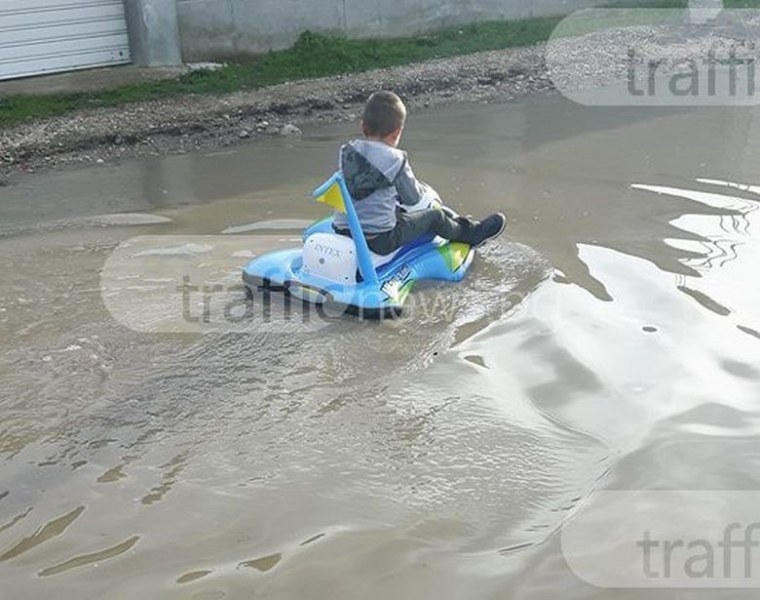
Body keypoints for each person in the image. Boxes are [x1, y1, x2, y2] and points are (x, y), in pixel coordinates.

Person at [332, 90, 506, 255]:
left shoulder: (346, 151)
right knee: (435, 216)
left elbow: (363, 187)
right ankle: (471, 233)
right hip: (379, 240)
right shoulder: (396, 159)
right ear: (397, 133)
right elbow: (413, 198)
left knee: (393, 209)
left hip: (342, 229)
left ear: (363, 126)